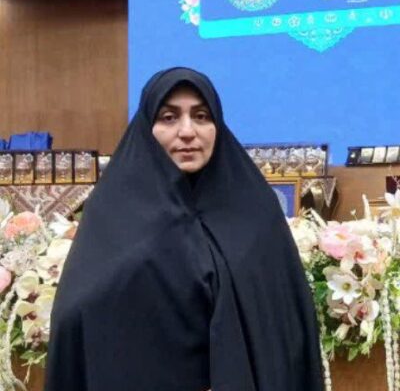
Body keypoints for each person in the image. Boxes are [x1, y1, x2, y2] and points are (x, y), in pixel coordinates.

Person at [44, 68, 324, 391]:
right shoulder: (114, 212)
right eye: (169, 117)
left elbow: (287, 323)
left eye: (201, 116)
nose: (187, 131)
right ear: (148, 127)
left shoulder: (255, 210)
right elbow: (75, 316)